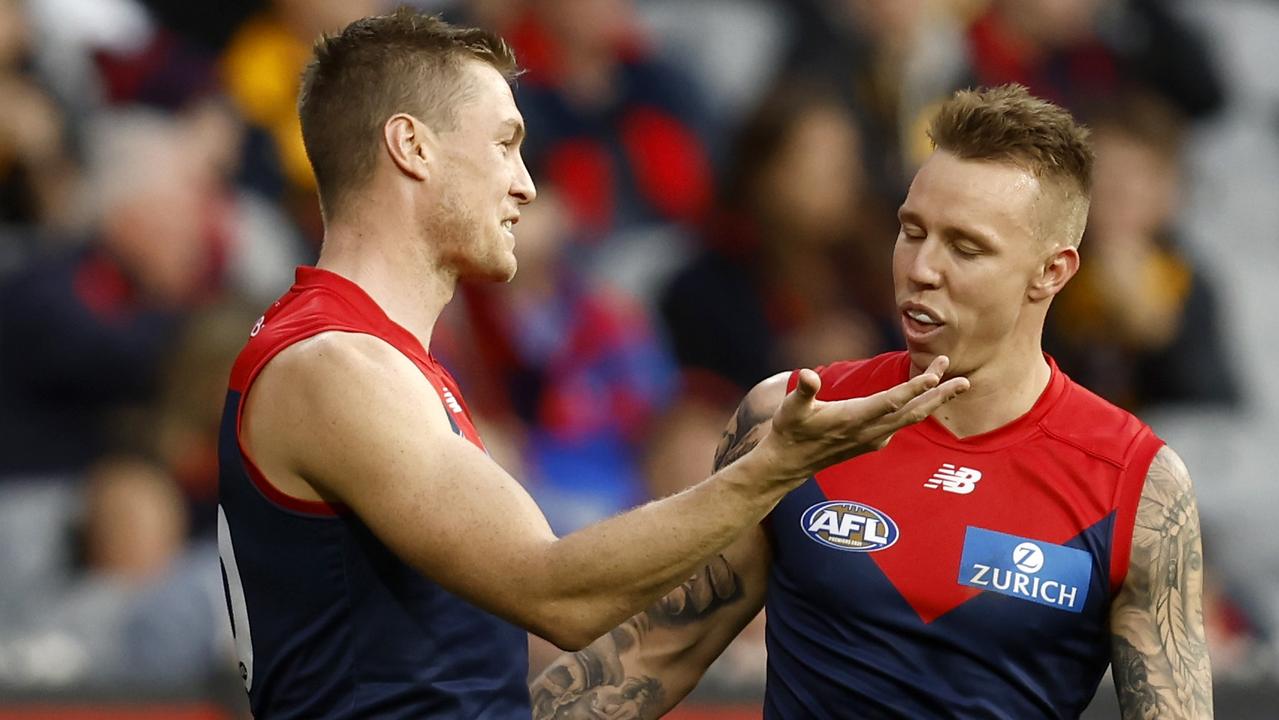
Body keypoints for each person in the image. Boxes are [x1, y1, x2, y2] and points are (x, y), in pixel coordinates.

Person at [214, 10, 968, 719]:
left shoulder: (374, 359)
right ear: (411, 147)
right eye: (504, 143)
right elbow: (556, 594)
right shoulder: (336, 366)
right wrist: (772, 470)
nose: (526, 185)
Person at [531, 84, 1213, 719]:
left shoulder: (1136, 486)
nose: (920, 268)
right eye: (912, 230)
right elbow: (649, 657)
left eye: (965, 247)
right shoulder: (793, 420)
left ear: (1051, 271)